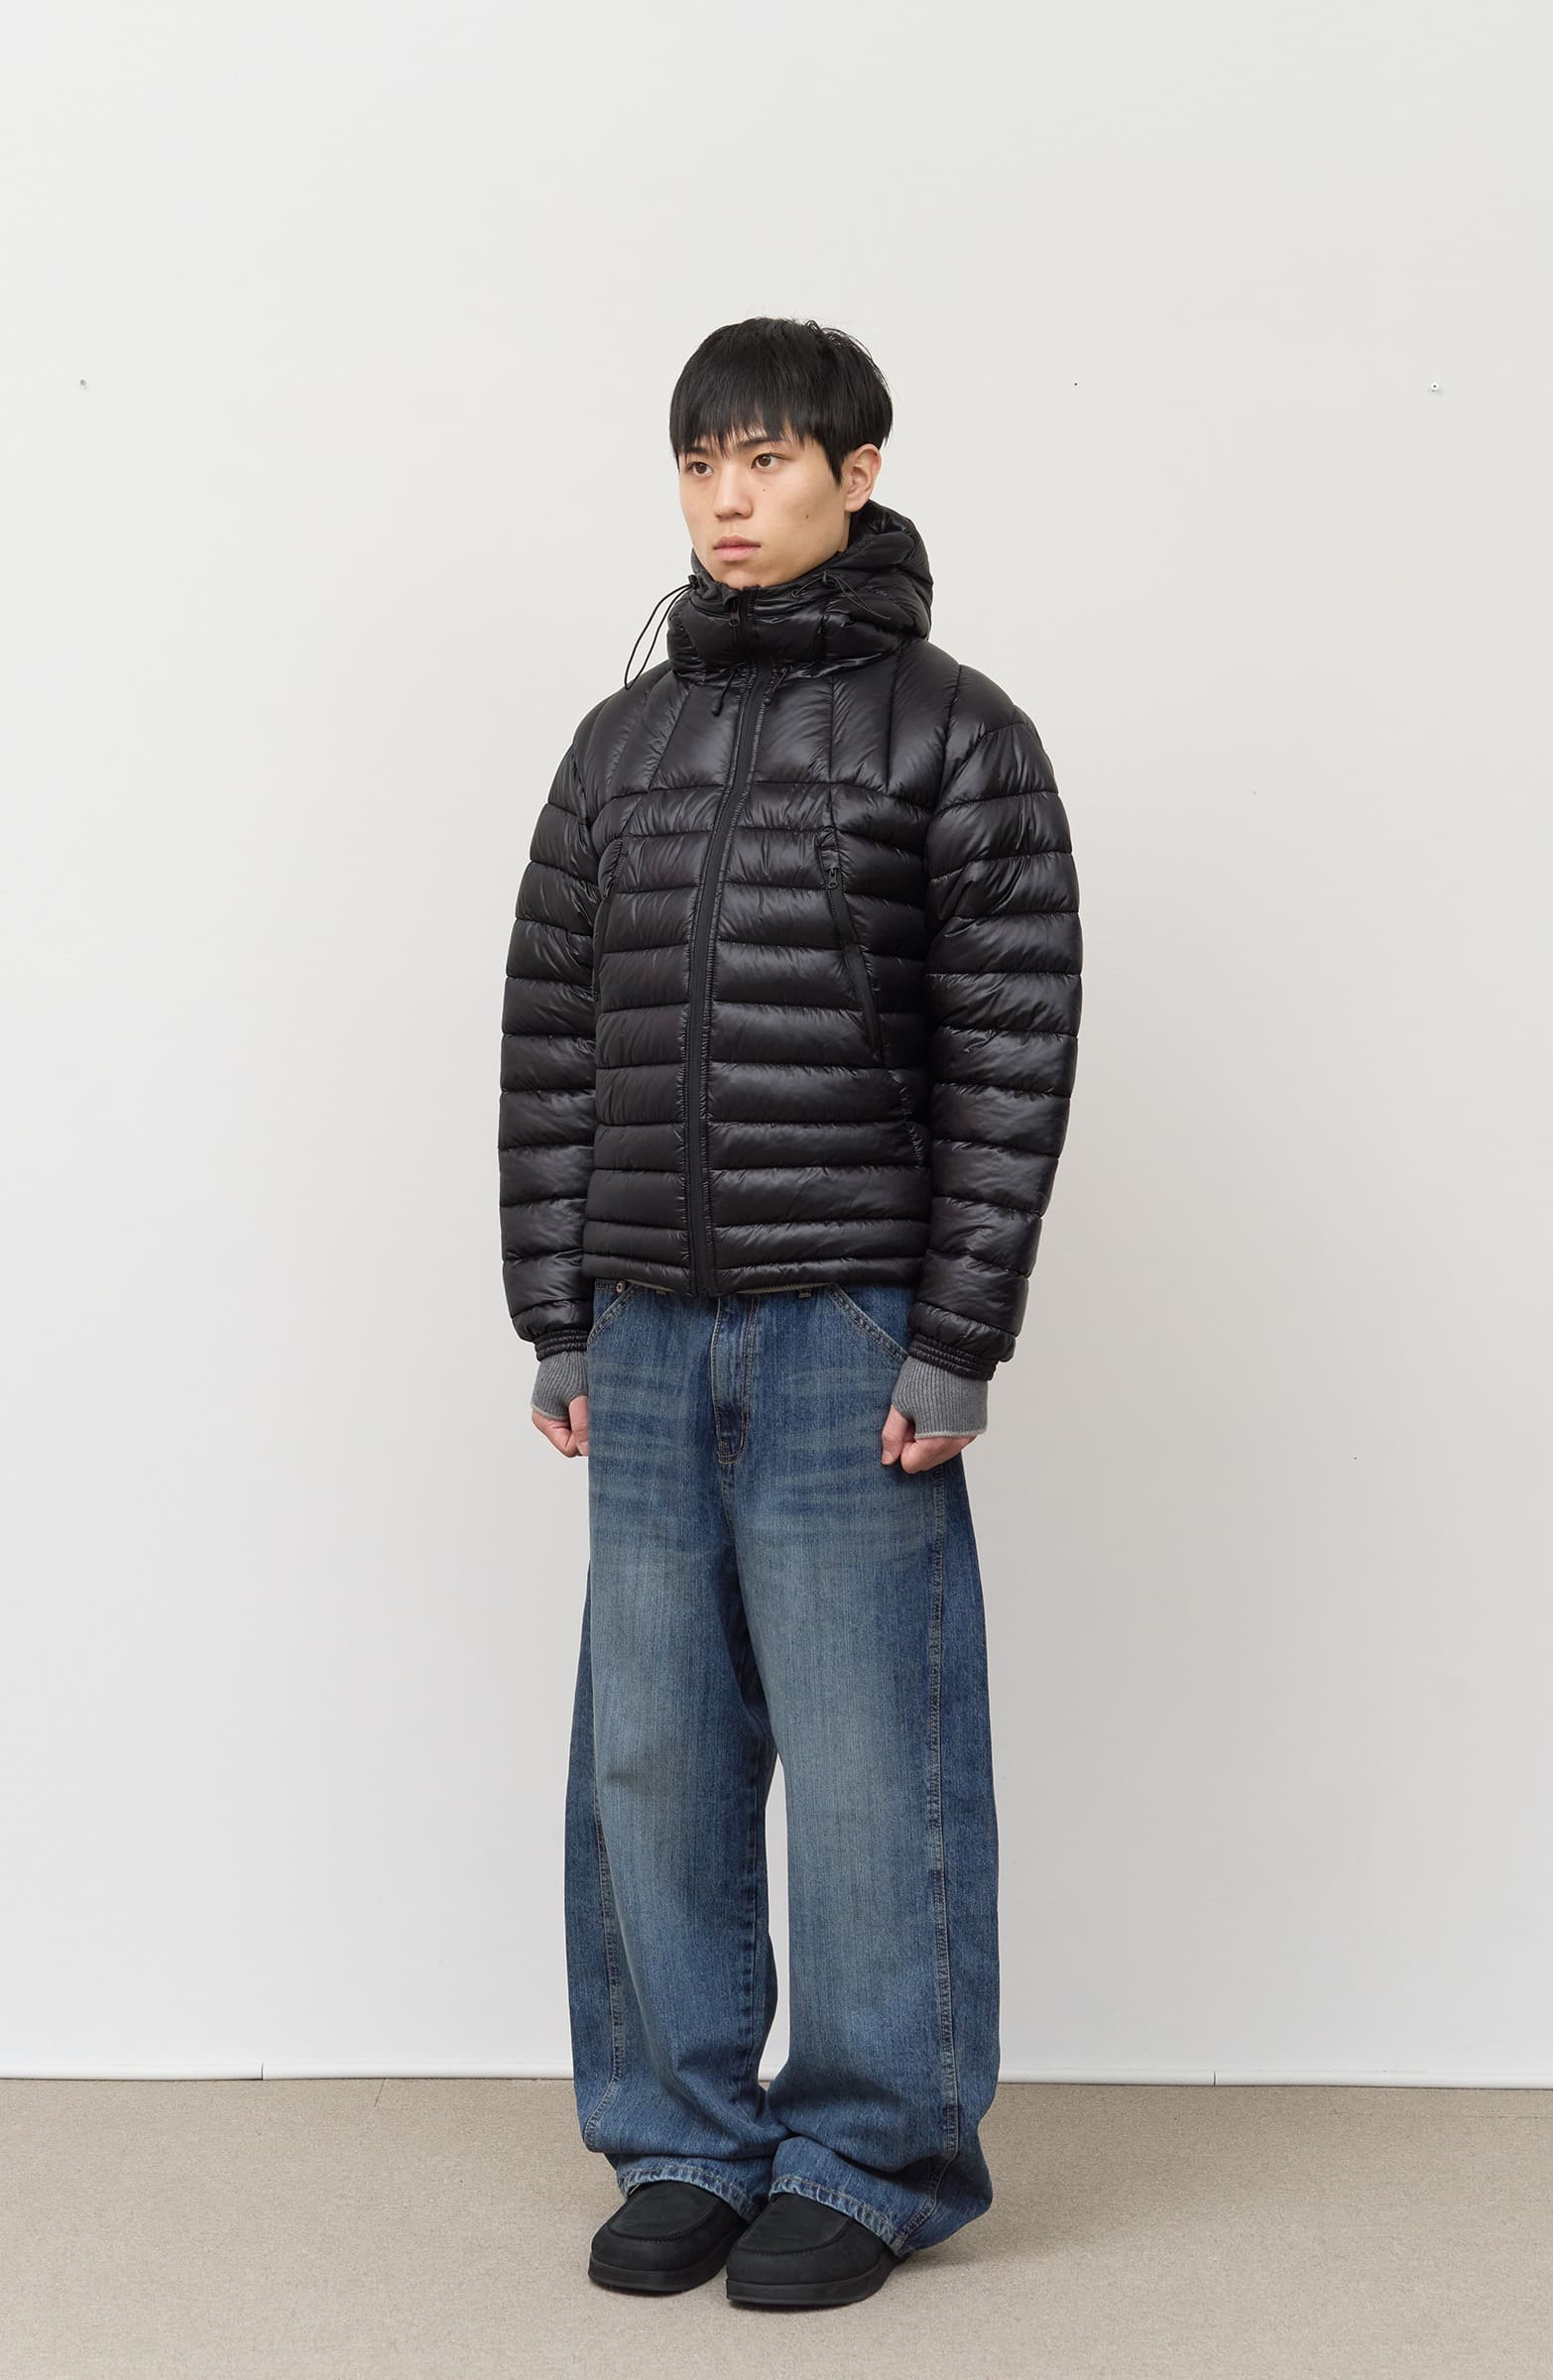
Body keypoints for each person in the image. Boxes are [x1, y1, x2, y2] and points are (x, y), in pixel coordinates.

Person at [499, 316, 1081, 2310]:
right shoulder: (618, 746)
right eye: (699, 465)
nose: (727, 500)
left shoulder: (957, 734)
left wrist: (958, 1339)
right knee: (647, 1762)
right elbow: (551, 1044)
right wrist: (556, 1313)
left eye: (764, 458)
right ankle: (680, 2136)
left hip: (849, 1332)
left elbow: (1010, 1053)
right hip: (646, 1329)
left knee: (867, 1773)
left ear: (856, 469)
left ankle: (870, 2154)